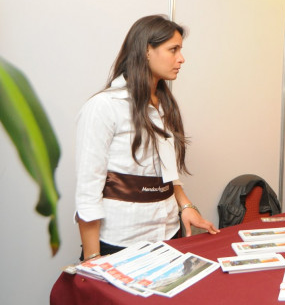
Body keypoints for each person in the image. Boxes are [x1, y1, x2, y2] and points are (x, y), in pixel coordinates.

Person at [74, 15, 219, 262]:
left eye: (180, 50)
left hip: (167, 232)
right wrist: (92, 257)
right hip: (121, 241)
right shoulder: (104, 106)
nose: (181, 58)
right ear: (146, 51)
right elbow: (88, 192)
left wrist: (186, 206)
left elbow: (167, 171)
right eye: (173, 50)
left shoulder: (163, 105)